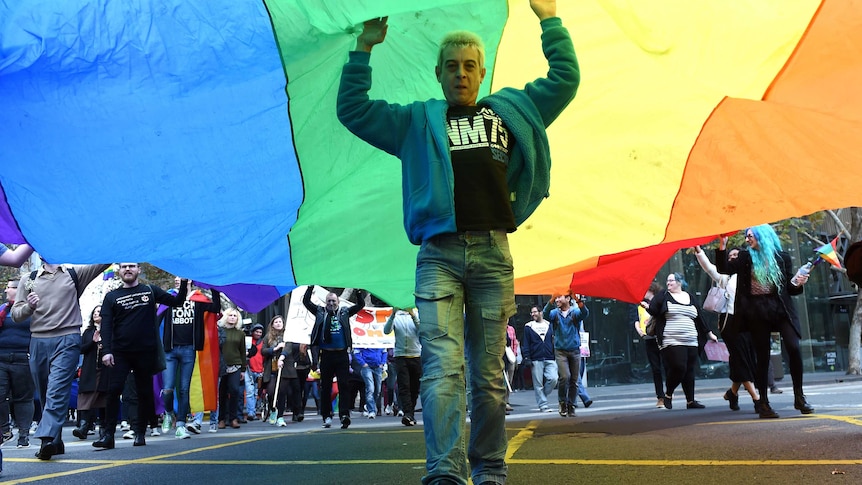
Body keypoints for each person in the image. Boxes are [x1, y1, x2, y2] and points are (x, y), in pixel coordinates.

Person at [337, 1, 578, 480]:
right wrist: (363, 48)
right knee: (443, 369)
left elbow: (565, 78)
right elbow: (354, 110)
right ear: (439, 73)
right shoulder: (416, 121)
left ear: (482, 71)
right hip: (438, 257)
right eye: (452, 67)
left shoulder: (510, 112)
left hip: (492, 255)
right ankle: (445, 471)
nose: (461, 74)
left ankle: (489, 470)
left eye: (470, 66)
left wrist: (548, 17)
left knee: (488, 377)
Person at [12, 260, 109, 460]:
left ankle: (46, 439)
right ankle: (56, 440)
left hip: (68, 338)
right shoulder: (28, 279)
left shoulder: (74, 274)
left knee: (56, 389)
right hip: (38, 340)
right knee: (46, 392)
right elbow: (16, 315)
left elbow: (102, 260)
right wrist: (29, 307)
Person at [717, 224, 814, 418]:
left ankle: (799, 397)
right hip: (756, 312)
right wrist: (722, 246)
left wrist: (798, 282)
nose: (747, 239)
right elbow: (724, 268)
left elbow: (789, 287)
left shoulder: (781, 257)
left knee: (794, 347)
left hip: (780, 309)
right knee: (762, 357)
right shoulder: (745, 257)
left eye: (750, 235)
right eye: (746, 236)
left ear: (762, 236)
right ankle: (763, 403)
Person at [94, 263, 188, 450]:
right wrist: (107, 351)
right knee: (113, 391)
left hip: (145, 351)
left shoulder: (149, 290)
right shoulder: (111, 296)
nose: (128, 269)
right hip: (120, 352)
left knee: (144, 392)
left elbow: (177, 302)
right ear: (120, 271)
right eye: (124, 267)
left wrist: (184, 283)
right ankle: (108, 435)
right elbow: (106, 326)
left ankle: (140, 433)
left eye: (132, 266)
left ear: (138, 270)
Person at [695, 246, 763, 414]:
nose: (733, 257)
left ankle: (732, 393)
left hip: (748, 323)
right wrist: (699, 251)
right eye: (730, 255)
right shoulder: (725, 277)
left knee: (742, 359)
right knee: (740, 358)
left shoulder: (751, 275)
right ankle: (756, 399)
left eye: (736, 255)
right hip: (729, 322)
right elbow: (709, 267)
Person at [159, 277, 221, 439]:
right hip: (170, 350)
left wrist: (214, 287)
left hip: (189, 349)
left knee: (184, 389)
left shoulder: (198, 301)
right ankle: (169, 413)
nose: (177, 281)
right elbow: (155, 320)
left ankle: (181, 425)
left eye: (182, 279)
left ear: (190, 282)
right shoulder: (168, 299)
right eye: (176, 279)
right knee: (168, 388)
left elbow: (215, 308)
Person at [648, 273, 718, 410]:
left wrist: (709, 333)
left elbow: (699, 317)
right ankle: (668, 394)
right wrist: (652, 301)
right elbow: (653, 310)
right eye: (667, 281)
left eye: (671, 281)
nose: (668, 283)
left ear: (679, 282)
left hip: (691, 339)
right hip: (672, 339)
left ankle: (690, 401)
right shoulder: (663, 296)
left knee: (690, 370)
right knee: (679, 367)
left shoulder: (689, 297)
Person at [303, 286, 365, 430]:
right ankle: (327, 415)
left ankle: (344, 415)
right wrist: (310, 287)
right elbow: (306, 302)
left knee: (344, 386)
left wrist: (359, 292)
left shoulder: (344, 312)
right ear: (326, 302)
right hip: (326, 355)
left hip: (341, 354)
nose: (331, 304)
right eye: (329, 301)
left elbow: (360, 305)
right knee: (326, 387)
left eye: (334, 301)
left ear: (338, 302)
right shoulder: (320, 311)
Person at [0, 279, 35, 448]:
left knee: (23, 398)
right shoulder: (1, 310)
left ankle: (23, 435)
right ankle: (5, 430)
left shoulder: (32, 309)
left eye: (10, 288)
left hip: (23, 358)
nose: (6, 291)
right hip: (1, 358)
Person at [544, 293, 589, 417]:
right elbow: (546, 314)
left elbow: (584, 313)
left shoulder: (574, 312)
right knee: (565, 377)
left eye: (560, 297)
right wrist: (551, 300)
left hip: (575, 350)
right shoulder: (554, 313)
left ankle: (571, 405)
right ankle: (562, 402)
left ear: (568, 299)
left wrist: (578, 301)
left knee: (574, 380)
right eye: (556, 298)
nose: (557, 300)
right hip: (560, 351)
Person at [73, 306, 110, 440]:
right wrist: (92, 342)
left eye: (99, 312)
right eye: (94, 312)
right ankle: (83, 425)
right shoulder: (88, 332)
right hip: (90, 369)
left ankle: (103, 428)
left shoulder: (109, 330)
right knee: (86, 396)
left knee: (103, 397)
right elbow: (81, 349)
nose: (96, 314)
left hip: (105, 368)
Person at [384, 307, 422, 426]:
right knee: (404, 386)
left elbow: (422, 331)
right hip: (400, 356)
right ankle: (407, 413)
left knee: (415, 387)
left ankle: (411, 413)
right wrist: (393, 314)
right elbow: (386, 330)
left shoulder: (417, 315)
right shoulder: (397, 317)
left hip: (416, 355)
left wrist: (413, 316)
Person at [632, 282, 665, 408]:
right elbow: (636, 319)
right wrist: (638, 330)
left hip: (662, 338)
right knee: (656, 369)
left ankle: (668, 393)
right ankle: (660, 397)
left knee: (668, 366)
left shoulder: (659, 302)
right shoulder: (640, 305)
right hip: (649, 338)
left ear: (652, 290)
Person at [521, 306, 557, 412]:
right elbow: (526, 343)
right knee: (538, 384)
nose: (533, 314)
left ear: (541, 312)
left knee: (553, 379)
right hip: (536, 358)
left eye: (535, 312)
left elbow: (553, 340)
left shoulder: (548, 325)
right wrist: (527, 357)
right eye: (531, 313)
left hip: (550, 357)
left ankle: (542, 396)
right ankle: (543, 405)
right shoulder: (528, 326)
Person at [216, 308, 246, 430]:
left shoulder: (240, 333)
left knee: (234, 391)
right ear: (226, 316)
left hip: (236, 365)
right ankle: (222, 419)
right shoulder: (219, 331)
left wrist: (243, 369)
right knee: (222, 392)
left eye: (235, 316)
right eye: (230, 315)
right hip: (222, 365)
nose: (233, 317)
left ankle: (233, 418)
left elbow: (243, 351)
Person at [261, 315, 287, 425]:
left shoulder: (287, 336)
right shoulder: (268, 337)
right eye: (275, 322)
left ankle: (280, 416)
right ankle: (272, 409)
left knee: (281, 392)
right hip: (271, 368)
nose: (278, 323)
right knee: (271, 392)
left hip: (284, 369)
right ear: (272, 324)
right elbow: (263, 351)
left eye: (280, 322)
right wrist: (275, 349)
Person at [355, 346, 387, 418]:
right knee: (370, 388)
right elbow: (356, 352)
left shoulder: (379, 340)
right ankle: (371, 411)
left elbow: (384, 351)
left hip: (378, 367)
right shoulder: (363, 339)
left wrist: (382, 363)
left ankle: (369, 405)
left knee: (378, 390)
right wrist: (363, 363)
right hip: (367, 367)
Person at [244, 323, 265, 421]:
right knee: (249, 392)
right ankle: (251, 413)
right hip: (249, 369)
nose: (258, 333)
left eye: (260, 332)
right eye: (256, 331)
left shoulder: (263, 342)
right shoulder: (248, 341)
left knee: (257, 392)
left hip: (260, 370)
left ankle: (254, 410)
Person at [504, 323, 520, 413]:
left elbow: (514, 343)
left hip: (510, 356)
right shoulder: (499, 329)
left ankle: (507, 400)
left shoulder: (511, 329)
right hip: (502, 358)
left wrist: (514, 355)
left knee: (509, 380)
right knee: (504, 381)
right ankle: (503, 403)